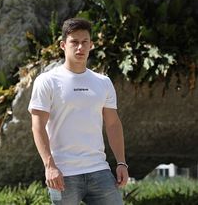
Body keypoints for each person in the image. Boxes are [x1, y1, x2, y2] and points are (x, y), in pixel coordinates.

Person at [28, 17, 129, 205]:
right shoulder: (47, 81)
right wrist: (49, 166)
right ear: (63, 45)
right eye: (74, 42)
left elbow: (113, 124)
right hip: (62, 174)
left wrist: (121, 162)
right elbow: (38, 126)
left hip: (99, 170)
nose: (80, 48)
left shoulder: (103, 82)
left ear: (91, 45)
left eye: (85, 42)